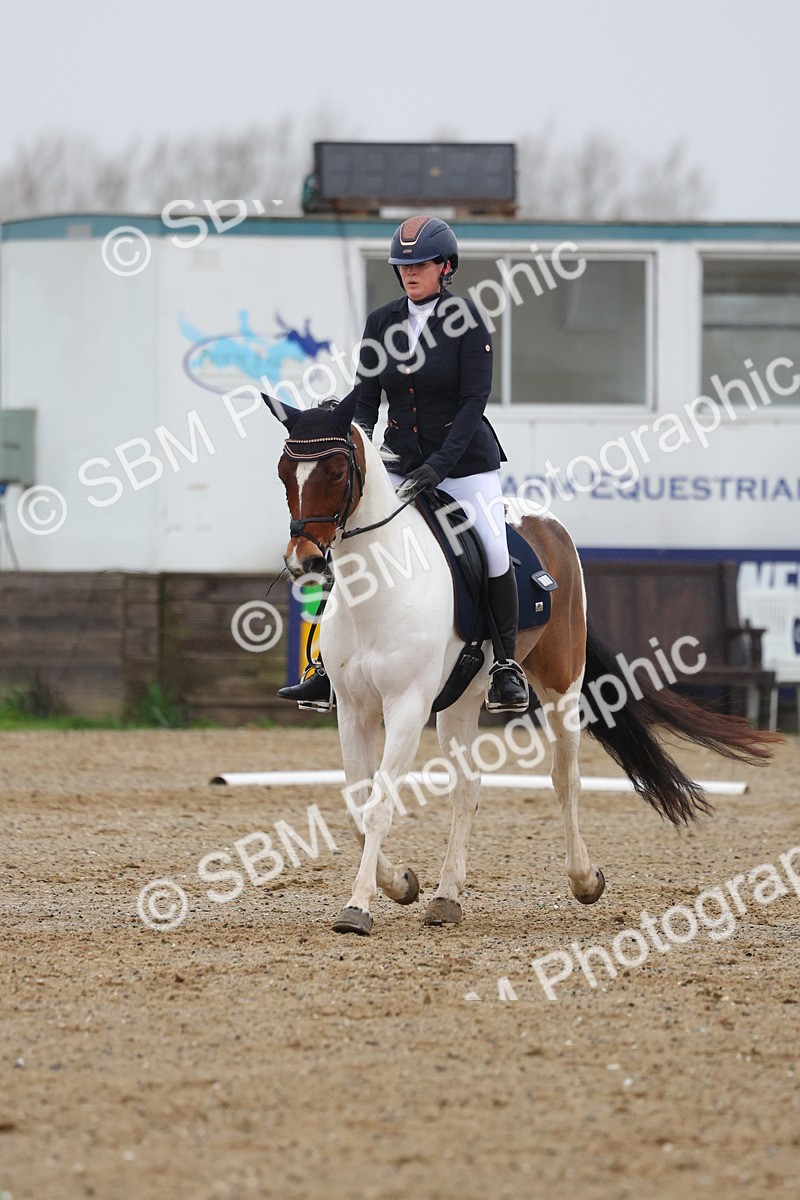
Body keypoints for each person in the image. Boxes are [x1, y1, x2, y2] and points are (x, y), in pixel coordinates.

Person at [278, 214, 529, 713]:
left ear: (445, 267)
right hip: (398, 461)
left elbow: (472, 402)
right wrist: (361, 449)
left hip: (464, 463)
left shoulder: (468, 320)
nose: (410, 272)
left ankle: (504, 665)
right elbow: (367, 397)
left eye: (420, 264)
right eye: (403, 265)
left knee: (494, 551)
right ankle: (326, 667)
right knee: (349, 543)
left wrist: (440, 466)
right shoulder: (381, 322)